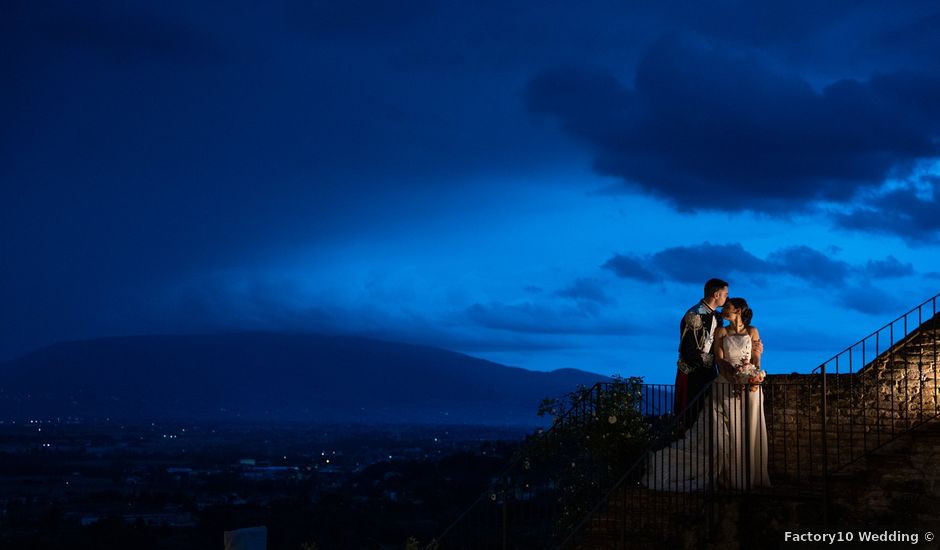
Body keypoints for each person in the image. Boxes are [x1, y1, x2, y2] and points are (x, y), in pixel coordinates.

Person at [642, 296, 771, 492]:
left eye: (727, 306)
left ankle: (749, 474)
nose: (723, 309)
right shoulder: (721, 330)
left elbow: (756, 360)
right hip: (726, 385)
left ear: (738, 310)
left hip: (750, 388)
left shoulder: (753, 331)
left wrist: (755, 376)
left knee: (748, 429)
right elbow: (719, 360)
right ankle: (731, 475)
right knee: (728, 432)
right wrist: (734, 376)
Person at [673, 279, 728, 419]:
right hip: (692, 373)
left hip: (710, 372)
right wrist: (707, 360)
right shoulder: (693, 315)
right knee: (691, 413)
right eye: (725, 294)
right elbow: (687, 349)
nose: (726, 298)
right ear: (716, 294)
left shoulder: (717, 316)